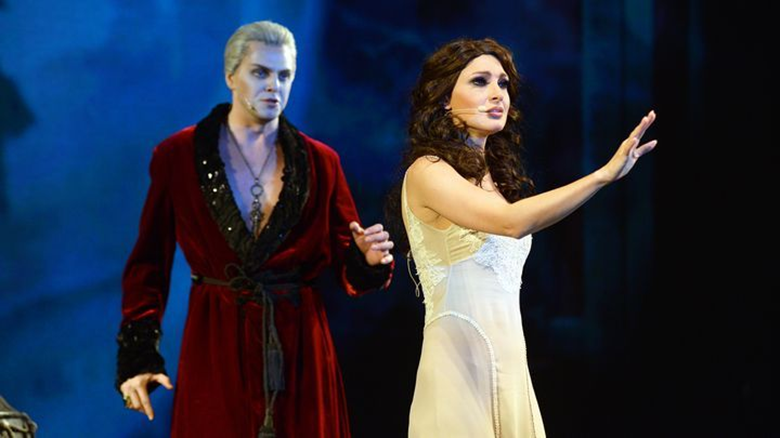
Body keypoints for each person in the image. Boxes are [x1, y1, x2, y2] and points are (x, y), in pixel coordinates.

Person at [116, 20, 394, 438]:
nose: (273, 86)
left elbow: (347, 265)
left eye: (284, 75)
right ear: (231, 76)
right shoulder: (178, 156)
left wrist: (365, 260)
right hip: (216, 337)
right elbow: (149, 263)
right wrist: (138, 358)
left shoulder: (321, 162)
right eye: (260, 72)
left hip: (300, 344)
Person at [388, 38, 656, 437]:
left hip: (510, 368)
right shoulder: (427, 170)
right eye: (480, 81)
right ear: (444, 98)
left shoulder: (496, 181)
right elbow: (512, 223)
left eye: (503, 83)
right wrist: (602, 176)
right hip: (458, 368)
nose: (498, 93)